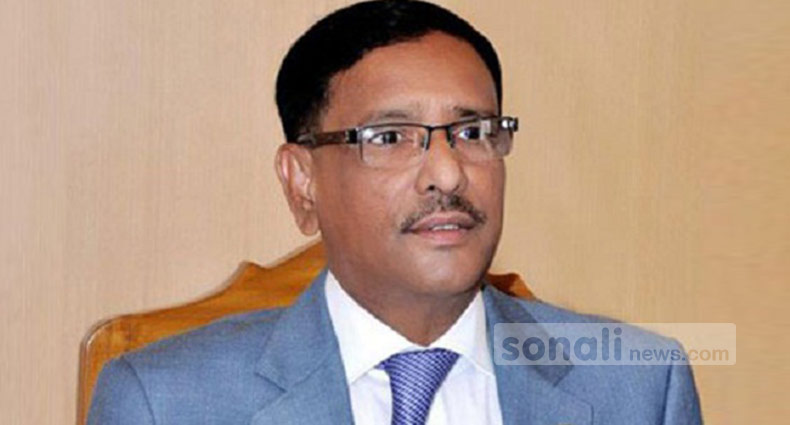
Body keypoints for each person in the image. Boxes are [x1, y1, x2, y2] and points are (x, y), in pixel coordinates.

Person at [88, 1, 702, 424]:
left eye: (473, 132)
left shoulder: (638, 387)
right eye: (390, 138)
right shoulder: (164, 402)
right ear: (302, 182)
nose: (448, 173)